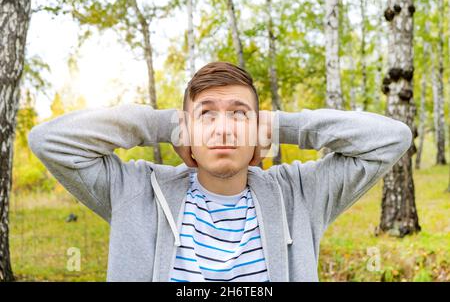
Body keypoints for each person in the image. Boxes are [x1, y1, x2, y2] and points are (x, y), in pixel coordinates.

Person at [28, 61, 412, 282]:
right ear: (186, 130)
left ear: (259, 129)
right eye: (206, 114)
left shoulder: (300, 193)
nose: (224, 128)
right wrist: (164, 124)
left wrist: (282, 125)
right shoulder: (136, 191)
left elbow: (390, 138)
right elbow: (50, 140)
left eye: (240, 114)